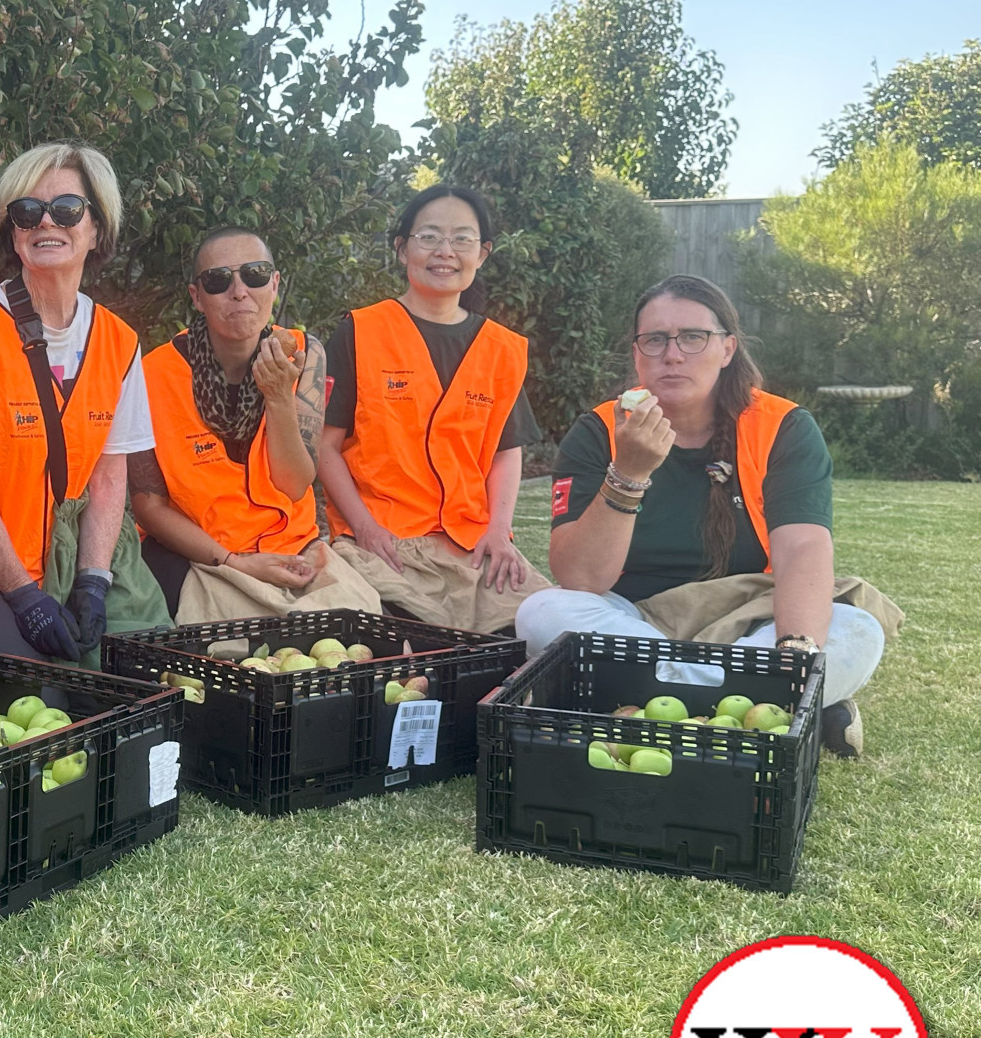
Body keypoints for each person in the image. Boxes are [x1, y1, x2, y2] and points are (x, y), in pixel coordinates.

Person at [516, 275, 901, 757]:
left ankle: (636, 708)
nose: (672, 354)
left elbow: (802, 547)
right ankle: (759, 715)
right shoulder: (599, 430)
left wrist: (795, 655)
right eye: (654, 340)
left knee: (855, 630)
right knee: (541, 612)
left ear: (727, 349)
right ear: (637, 354)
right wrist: (629, 473)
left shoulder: (782, 426)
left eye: (693, 337)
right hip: (634, 624)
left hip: (745, 625)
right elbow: (579, 577)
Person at [0, 141, 159, 661]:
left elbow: (111, 476)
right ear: (12, 232)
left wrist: (92, 579)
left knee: (138, 675)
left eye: (67, 209)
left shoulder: (119, 342)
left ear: (96, 229)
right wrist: (25, 597)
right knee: (48, 697)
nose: (47, 223)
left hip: (56, 556)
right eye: (27, 211)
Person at [314, 184, 551, 633]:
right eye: (429, 237)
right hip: (384, 543)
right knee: (407, 646)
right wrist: (364, 529)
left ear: (482, 254)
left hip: (473, 544)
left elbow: (505, 450)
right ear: (403, 249)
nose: (445, 251)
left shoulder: (501, 349)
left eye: (462, 238)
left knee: (545, 630)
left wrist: (499, 532)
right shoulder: (360, 333)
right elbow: (325, 446)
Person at [129, 226, 381, 622]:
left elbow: (294, 483)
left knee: (357, 619)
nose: (239, 291)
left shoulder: (302, 353)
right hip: (199, 551)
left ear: (275, 283)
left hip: (290, 545)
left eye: (255, 274)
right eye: (218, 280)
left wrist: (278, 395)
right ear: (197, 297)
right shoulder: (152, 374)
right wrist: (235, 562)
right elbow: (149, 507)